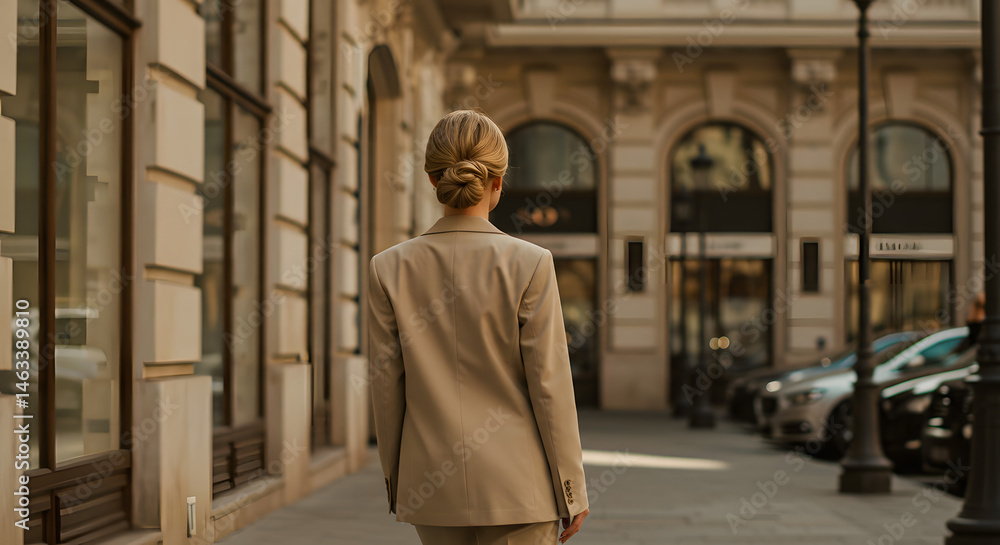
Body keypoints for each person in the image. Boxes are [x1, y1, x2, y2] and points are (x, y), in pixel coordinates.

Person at [367, 109, 590, 545]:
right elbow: (549, 386)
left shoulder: (387, 267)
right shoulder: (530, 263)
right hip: (519, 489)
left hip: (431, 487)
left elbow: (386, 389)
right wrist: (571, 488)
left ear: (432, 179)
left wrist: (398, 481)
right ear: (498, 182)